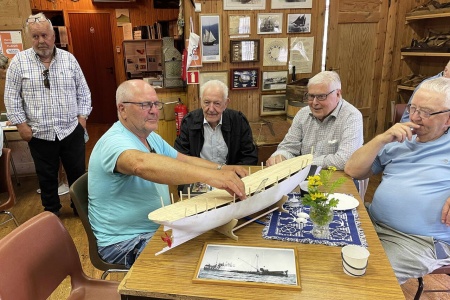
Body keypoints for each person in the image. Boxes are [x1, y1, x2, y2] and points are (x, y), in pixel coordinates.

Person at [88, 79, 247, 268]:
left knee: (215, 244)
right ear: (122, 109)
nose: (154, 110)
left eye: (156, 104)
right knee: (200, 264)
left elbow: (182, 159)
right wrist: (211, 177)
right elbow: (140, 164)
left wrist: (221, 169)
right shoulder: (113, 141)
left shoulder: (149, 137)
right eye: (145, 105)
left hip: (157, 228)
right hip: (124, 242)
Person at [344, 77, 450, 284]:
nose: (416, 117)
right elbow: (353, 170)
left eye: (426, 112)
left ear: (448, 119)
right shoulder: (400, 139)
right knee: (322, 243)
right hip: (372, 221)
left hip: (419, 241)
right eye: (413, 108)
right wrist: (381, 139)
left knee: (365, 279)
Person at [4, 13, 91, 216]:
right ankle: (51, 213)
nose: (41, 41)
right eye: (35, 37)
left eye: (44, 35)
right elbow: (11, 97)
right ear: (29, 38)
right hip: (39, 132)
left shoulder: (69, 60)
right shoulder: (19, 62)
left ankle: (80, 209)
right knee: (46, 176)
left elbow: (83, 91)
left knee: (77, 174)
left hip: (71, 129)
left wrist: (82, 119)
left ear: (53, 35)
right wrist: (21, 125)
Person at [266, 71, 363, 170]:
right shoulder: (303, 114)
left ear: (338, 94)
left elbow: (344, 160)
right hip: (305, 177)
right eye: (311, 96)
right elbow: (288, 147)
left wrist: (302, 162)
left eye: (321, 96)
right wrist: (280, 156)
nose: (314, 103)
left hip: (338, 180)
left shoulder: (351, 117)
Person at [174, 79, 258, 166]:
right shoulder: (189, 121)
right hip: (199, 176)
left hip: (230, 176)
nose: (211, 109)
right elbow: (181, 156)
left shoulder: (238, 121)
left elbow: (249, 157)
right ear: (200, 101)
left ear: (226, 103)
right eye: (206, 102)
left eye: (217, 103)